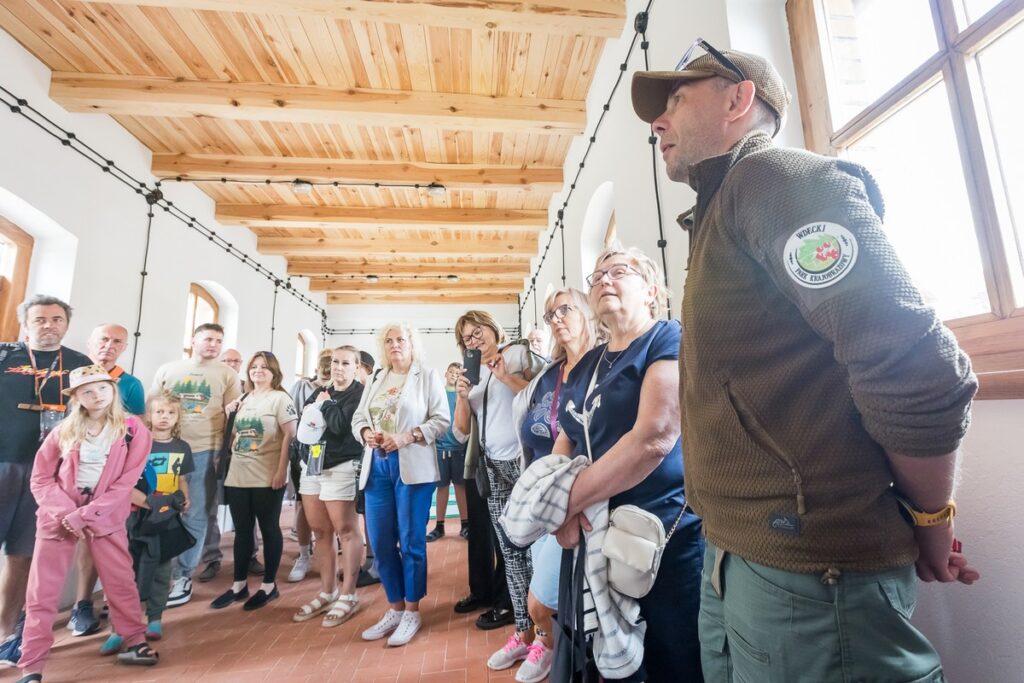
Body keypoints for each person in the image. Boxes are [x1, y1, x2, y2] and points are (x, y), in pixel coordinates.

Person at [631, 43, 979, 681]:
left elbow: (915, 368)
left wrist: (931, 519)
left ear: (739, 99)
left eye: (676, 98)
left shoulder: (775, 180)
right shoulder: (721, 206)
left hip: (810, 571)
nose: (658, 120)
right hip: (736, 552)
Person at [553, 245, 704, 681]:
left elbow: (653, 438)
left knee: (674, 658)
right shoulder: (588, 364)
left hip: (660, 533)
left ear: (651, 290)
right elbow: (566, 436)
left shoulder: (666, 338)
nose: (604, 279)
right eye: (597, 276)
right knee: (618, 657)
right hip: (600, 535)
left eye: (619, 271)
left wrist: (563, 504)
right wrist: (557, 494)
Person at [16, 365, 158, 682]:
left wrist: (86, 514)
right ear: (77, 397)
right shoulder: (63, 431)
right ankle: (32, 665)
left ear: (113, 390)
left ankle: (135, 641)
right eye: (88, 391)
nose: (97, 395)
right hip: (58, 518)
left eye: (103, 388)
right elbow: (40, 479)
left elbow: (126, 483)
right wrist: (67, 512)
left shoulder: (133, 429)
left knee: (120, 581)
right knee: (41, 592)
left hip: (106, 515)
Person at [512, 288, 599, 683]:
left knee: (540, 601)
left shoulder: (604, 363)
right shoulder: (550, 374)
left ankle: (555, 649)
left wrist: (568, 497)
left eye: (565, 309)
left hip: (582, 494)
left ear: (588, 312)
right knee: (555, 591)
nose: (557, 318)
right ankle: (555, 651)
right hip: (544, 491)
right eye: (551, 314)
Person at [0, 295, 91, 667]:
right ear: (26, 323)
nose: (49, 325)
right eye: (40, 319)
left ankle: (6, 632)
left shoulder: (81, 365)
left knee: (22, 554)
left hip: (49, 474)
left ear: (66, 324)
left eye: (57, 319)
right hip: (3, 462)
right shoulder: (4, 356)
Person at [352, 324, 450, 647]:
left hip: (412, 466)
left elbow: (441, 420)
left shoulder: (427, 375)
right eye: (389, 341)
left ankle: (411, 610)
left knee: (410, 541)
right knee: (380, 542)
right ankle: (394, 608)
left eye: (401, 339)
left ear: (412, 343)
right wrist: (366, 433)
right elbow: (359, 418)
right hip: (377, 466)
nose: (395, 345)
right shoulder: (377, 377)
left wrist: (407, 437)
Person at [453, 311, 540, 669]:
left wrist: (504, 375)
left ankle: (546, 635)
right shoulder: (471, 374)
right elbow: (461, 432)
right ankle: (523, 631)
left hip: (523, 464)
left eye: (478, 332)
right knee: (510, 551)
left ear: (492, 328)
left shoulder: (517, 354)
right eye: (467, 338)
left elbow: (540, 397)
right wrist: (462, 396)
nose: (475, 341)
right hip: (492, 467)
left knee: (535, 551)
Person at [66, 323, 147, 639]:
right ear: (90, 341)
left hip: (106, 477)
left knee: (93, 539)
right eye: (103, 339)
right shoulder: (68, 375)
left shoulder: (131, 385)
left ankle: (82, 604)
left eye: (117, 342)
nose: (108, 346)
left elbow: (135, 432)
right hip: (67, 471)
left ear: (124, 347)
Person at [151, 323, 241, 606]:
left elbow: (233, 416)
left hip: (204, 452)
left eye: (218, 340)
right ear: (194, 340)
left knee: (195, 513)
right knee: (160, 512)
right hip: (167, 450)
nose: (213, 344)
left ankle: (183, 575)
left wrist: (224, 451)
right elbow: (152, 407)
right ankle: (157, 574)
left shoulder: (227, 374)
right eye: (208, 339)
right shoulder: (168, 370)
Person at [100, 390, 193, 653]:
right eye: (159, 411)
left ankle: (155, 619)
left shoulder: (182, 447)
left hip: (166, 515)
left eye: (171, 413)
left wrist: (185, 498)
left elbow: (182, 479)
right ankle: (119, 627)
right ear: (149, 415)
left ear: (178, 417)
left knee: (162, 568)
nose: (165, 417)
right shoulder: (138, 443)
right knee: (125, 570)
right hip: (134, 513)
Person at [210, 352, 296, 611]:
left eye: (264, 367)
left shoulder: (280, 398)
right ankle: (238, 584)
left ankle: (269, 585)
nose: (258, 371)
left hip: (267, 473)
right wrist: (229, 414)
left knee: (269, 528)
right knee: (243, 531)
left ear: (274, 372)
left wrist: (281, 470)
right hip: (239, 473)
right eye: (254, 366)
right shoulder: (243, 399)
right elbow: (234, 437)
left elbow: (290, 436)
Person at [291, 346, 365, 627]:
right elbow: (305, 426)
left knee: (346, 530)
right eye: (335, 362)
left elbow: (339, 426)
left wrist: (325, 405)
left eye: (345, 363)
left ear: (356, 367)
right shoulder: (322, 391)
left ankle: (349, 594)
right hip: (312, 466)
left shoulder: (358, 394)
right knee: (320, 531)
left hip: (340, 466)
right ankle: (327, 591)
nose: (338, 367)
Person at [199, 347, 261, 583]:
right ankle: (211, 558)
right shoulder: (210, 385)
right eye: (227, 360)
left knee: (246, 509)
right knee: (209, 507)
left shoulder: (250, 390)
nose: (231, 364)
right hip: (212, 451)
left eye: (236, 361)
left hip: (242, 455)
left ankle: (250, 555)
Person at [285, 349, 332, 582]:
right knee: (304, 504)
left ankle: (329, 553)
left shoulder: (345, 389)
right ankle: (304, 554)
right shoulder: (303, 387)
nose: (329, 370)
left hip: (334, 455)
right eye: (325, 367)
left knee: (336, 504)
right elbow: (295, 419)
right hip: (307, 453)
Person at [426, 362, 469, 542]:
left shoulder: (463, 395)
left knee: (460, 487)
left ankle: (465, 525)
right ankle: (439, 526)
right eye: (451, 372)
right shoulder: (438, 394)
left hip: (459, 448)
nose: (454, 375)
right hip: (440, 449)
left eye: (457, 373)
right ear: (445, 373)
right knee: (441, 487)